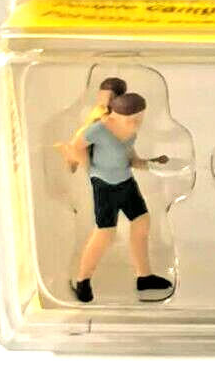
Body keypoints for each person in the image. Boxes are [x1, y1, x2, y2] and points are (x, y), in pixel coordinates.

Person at [71, 91, 173, 303]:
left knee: (142, 222)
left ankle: (144, 276)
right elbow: (76, 147)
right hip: (105, 186)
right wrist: (89, 169)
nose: (136, 124)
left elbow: (131, 159)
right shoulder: (99, 130)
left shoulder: (131, 134)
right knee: (105, 233)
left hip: (126, 183)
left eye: (139, 119)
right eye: (131, 120)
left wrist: (151, 163)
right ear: (114, 117)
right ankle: (83, 280)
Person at [58, 76, 126, 173]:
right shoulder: (99, 109)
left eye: (111, 98)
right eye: (102, 96)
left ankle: (74, 157)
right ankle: (73, 157)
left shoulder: (112, 114)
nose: (105, 100)